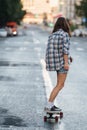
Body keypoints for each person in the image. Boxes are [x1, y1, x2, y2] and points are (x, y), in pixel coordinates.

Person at [45, 17, 72, 112]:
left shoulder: (52, 35)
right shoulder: (65, 35)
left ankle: (51, 105)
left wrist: (68, 57)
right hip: (61, 62)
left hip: (53, 62)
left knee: (58, 84)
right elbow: (65, 50)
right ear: (66, 25)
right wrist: (66, 62)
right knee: (60, 85)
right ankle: (49, 106)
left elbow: (54, 49)